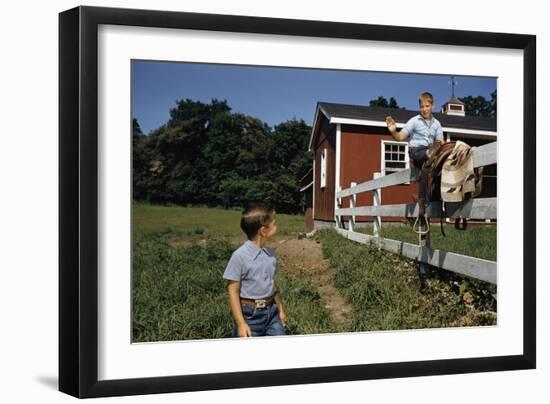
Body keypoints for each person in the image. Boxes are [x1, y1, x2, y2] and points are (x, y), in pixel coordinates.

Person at [223, 204, 287, 337]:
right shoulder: (239, 256)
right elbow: (232, 290)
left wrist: (280, 310)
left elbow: (272, 285)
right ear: (263, 231)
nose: (277, 227)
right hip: (250, 316)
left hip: (272, 313)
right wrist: (241, 324)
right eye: (274, 224)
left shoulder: (270, 254)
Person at [385, 92, 444, 170]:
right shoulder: (414, 121)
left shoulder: (437, 124)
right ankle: (429, 155)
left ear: (433, 105)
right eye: (421, 107)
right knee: (429, 153)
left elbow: (440, 141)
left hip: (430, 150)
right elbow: (400, 137)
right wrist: (393, 131)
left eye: (427, 106)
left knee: (438, 152)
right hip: (416, 151)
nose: (424, 109)